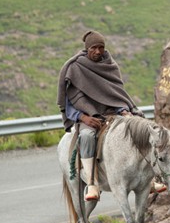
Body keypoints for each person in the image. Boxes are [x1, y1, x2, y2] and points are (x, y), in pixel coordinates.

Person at [57, 30, 144, 201]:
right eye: (94, 48)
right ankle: (91, 183)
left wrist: (124, 110)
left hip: (112, 114)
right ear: (87, 49)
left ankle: (149, 177)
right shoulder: (75, 68)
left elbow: (115, 94)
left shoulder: (110, 66)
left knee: (138, 126)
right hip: (87, 117)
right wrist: (84, 118)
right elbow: (69, 101)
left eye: (101, 47)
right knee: (87, 136)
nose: (98, 51)